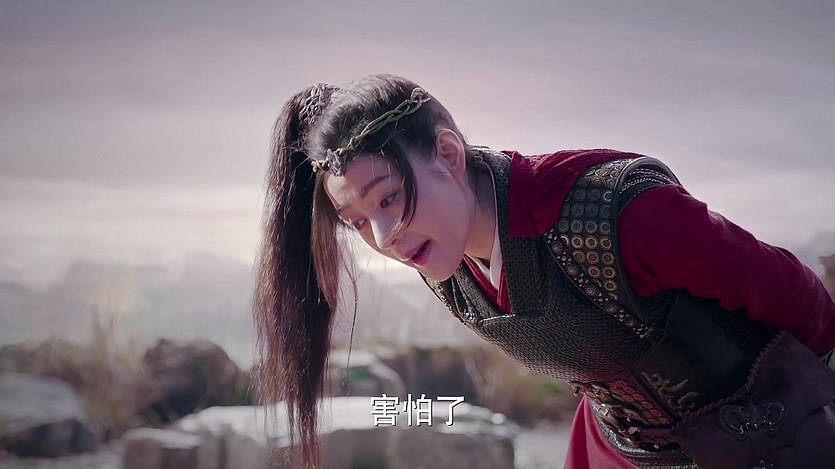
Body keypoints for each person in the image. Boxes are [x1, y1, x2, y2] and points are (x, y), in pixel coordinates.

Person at [253, 74, 835, 468]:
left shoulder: (615, 213)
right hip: (618, 447)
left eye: (388, 199)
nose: (384, 239)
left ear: (448, 155)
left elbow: (799, 297)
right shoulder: (440, 258)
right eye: (357, 222)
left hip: (767, 435)